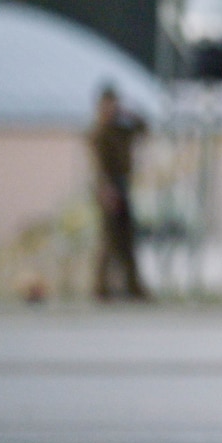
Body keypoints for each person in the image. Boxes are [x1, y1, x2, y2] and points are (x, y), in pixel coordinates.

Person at [89, 84, 149, 301]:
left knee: (127, 239)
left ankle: (134, 287)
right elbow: (97, 166)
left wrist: (127, 113)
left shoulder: (121, 128)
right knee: (109, 239)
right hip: (108, 186)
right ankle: (101, 289)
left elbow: (144, 128)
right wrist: (106, 190)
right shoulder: (99, 132)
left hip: (123, 185)